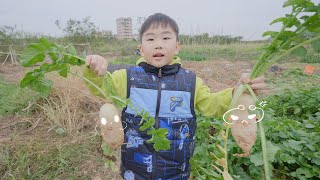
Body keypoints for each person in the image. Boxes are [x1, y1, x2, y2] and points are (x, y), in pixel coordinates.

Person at [84, 13, 267, 180]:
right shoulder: (126, 78)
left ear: (177, 47)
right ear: (141, 49)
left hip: (176, 172)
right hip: (135, 170)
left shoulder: (190, 82)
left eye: (166, 37)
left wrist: (237, 94)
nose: (158, 43)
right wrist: (95, 71)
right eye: (150, 39)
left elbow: (212, 105)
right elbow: (101, 88)